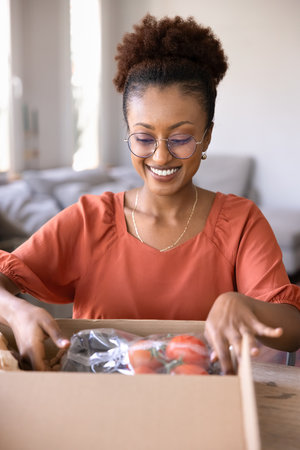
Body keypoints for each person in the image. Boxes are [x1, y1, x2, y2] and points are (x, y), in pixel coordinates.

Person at [0, 14, 299, 373]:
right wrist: (15, 309)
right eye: (144, 138)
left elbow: (291, 329)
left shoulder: (240, 222)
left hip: (205, 409)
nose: (160, 156)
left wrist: (246, 305)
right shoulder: (89, 220)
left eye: (181, 138)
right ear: (127, 132)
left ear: (207, 136)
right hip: (96, 409)